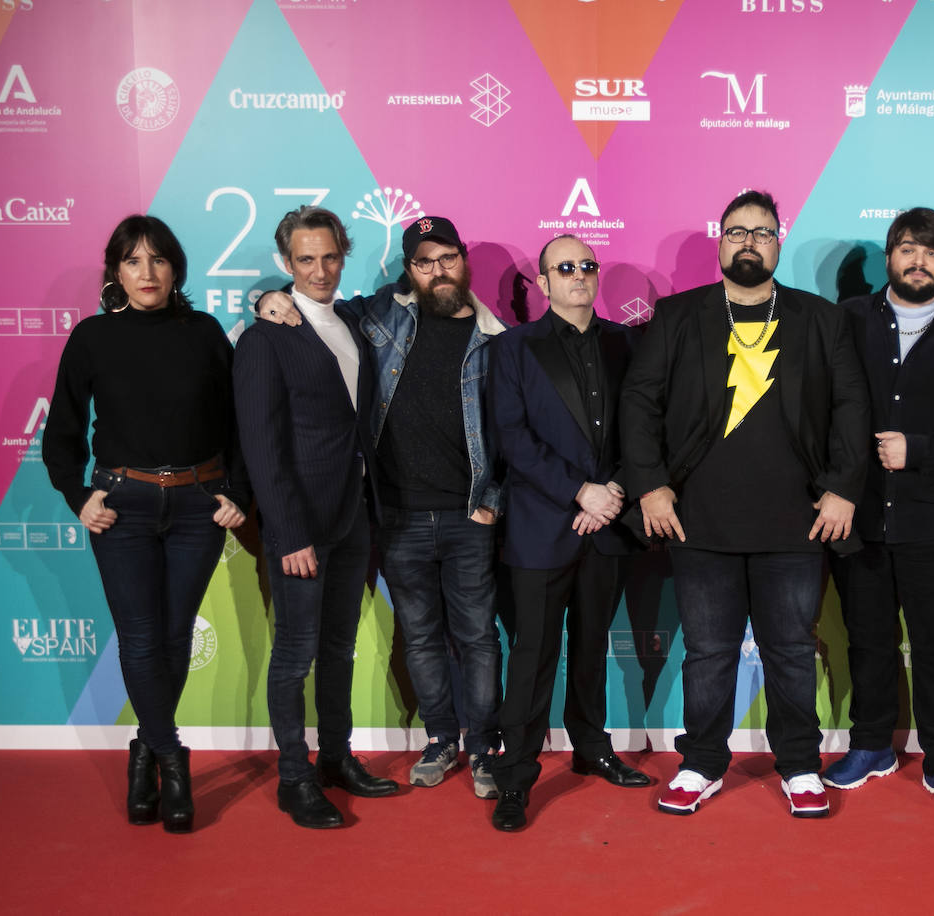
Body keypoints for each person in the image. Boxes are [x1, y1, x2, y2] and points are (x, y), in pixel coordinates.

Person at [620, 190, 870, 819]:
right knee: (708, 654)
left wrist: (842, 488)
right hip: (699, 522)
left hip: (797, 523)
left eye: (762, 232)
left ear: (778, 243)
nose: (749, 241)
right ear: (721, 242)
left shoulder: (821, 319)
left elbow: (851, 409)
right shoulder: (677, 316)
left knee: (790, 650)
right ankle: (701, 763)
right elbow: (639, 405)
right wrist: (650, 486)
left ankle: (800, 767)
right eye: (737, 231)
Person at [256, 216, 506, 799]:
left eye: (447, 258)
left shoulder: (497, 336)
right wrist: (270, 297)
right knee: (419, 637)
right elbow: (307, 306)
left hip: (469, 514)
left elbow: (508, 428)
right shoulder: (374, 317)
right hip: (394, 515)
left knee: (478, 637)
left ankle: (484, 746)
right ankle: (442, 738)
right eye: (425, 261)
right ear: (409, 269)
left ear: (463, 260)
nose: (437, 270)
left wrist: (492, 501)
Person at [43, 215, 249, 833]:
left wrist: (235, 491)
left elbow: (238, 423)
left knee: (174, 634)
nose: (147, 272)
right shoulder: (92, 338)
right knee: (138, 636)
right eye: (133, 261)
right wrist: (78, 495)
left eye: (157, 259)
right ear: (116, 271)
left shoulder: (205, 332)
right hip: (121, 507)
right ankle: (170, 758)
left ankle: (144, 749)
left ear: (175, 268)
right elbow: (62, 434)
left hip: (196, 506)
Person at [823, 207, 934, 814]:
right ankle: (872, 745)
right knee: (868, 642)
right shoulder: (849, 322)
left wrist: (920, 449)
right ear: (889, 256)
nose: (918, 260)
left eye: (931, 251)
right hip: (862, 519)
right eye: (907, 248)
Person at [234, 206, 397, 829]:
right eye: (306, 260)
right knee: (294, 654)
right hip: (299, 525)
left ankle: (336, 759)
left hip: (354, 516)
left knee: (339, 649)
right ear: (286, 265)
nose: (321, 269)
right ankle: (294, 777)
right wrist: (287, 531)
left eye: (330, 257)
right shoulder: (265, 337)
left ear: (342, 254)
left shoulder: (353, 321)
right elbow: (261, 443)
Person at [489, 234, 649, 832]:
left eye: (587, 265)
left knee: (590, 648)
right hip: (541, 527)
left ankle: (592, 747)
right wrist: (578, 491)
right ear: (544, 281)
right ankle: (518, 775)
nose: (579, 275)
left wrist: (611, 494)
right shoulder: (514, 348)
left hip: (605, 526)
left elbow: (642, 428)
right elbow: (512, 436)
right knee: (531, 655)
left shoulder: (625, 343)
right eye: (565, 267)